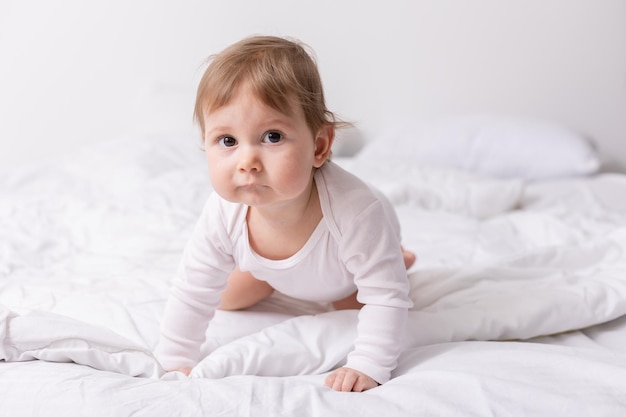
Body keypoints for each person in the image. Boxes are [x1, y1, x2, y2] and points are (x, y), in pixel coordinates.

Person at [155, 35, 415, 392]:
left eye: (272, 136)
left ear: (319, 146)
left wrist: (369, 365)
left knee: (353, 303)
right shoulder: (223, 212)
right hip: (273, 271)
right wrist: (174, 360)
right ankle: (279, 270)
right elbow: (192, 290)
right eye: (227, 141)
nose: (247, 162)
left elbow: (386, 299)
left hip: (341, 270)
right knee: (227, 297)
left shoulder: (355, 212)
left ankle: (394, 259)